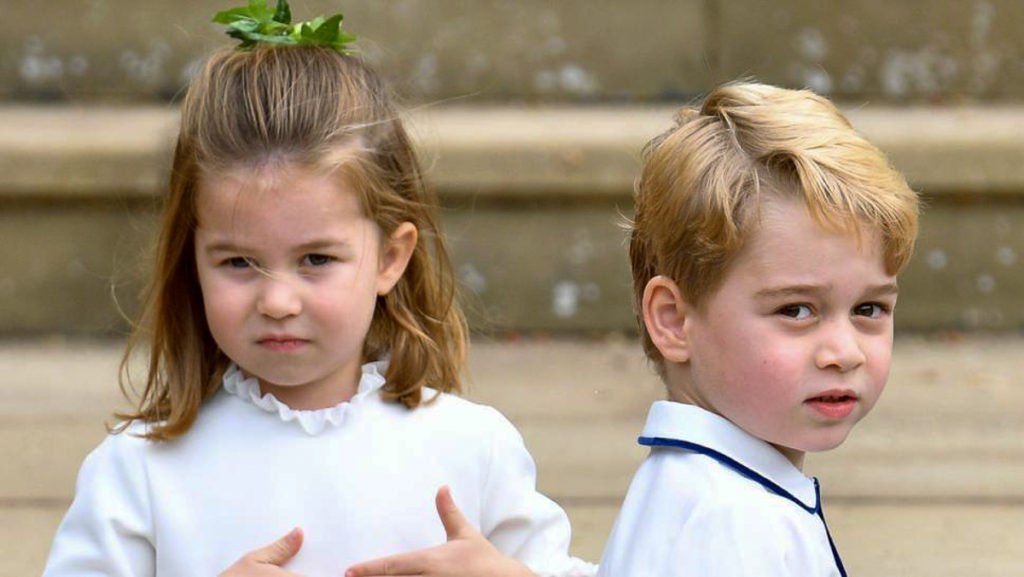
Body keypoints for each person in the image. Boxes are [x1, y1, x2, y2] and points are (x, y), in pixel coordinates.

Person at [41, 4, 594, 577]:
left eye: (316, 259)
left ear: (390, 258)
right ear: (192, 261)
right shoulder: (140, 470)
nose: (278, 302)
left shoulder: (473, 448)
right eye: (238, 261)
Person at [596, 82, 919, 577]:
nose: (844, 352)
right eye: (796, 311)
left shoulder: (703, 488)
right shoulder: (733, 523)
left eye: (869, 309)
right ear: (673, 320)